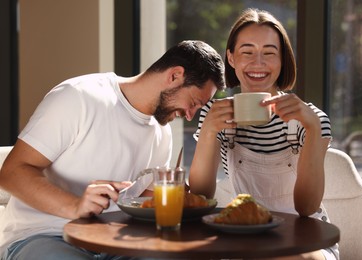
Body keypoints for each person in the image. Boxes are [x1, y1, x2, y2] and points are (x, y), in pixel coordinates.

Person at [0, 40, 225, 259]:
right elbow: (11, 173)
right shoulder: (79, 97)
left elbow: (145, 205)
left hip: (114, 243)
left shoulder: (161, 133)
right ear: (175, 75)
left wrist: (172, 204)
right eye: (194, 102)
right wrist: (75, 206)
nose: (190, 115)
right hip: (45, 236)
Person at [189, 9, 339, 260]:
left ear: (282, 61)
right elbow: (201, 197)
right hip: (246, 238)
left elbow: (307, 207)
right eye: (247, 52)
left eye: (269, 53)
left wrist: (313, 129)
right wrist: (208, 131)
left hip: (304, 243)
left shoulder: (311, 119)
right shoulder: (215, 114)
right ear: (232, 58)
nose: (258, 63)